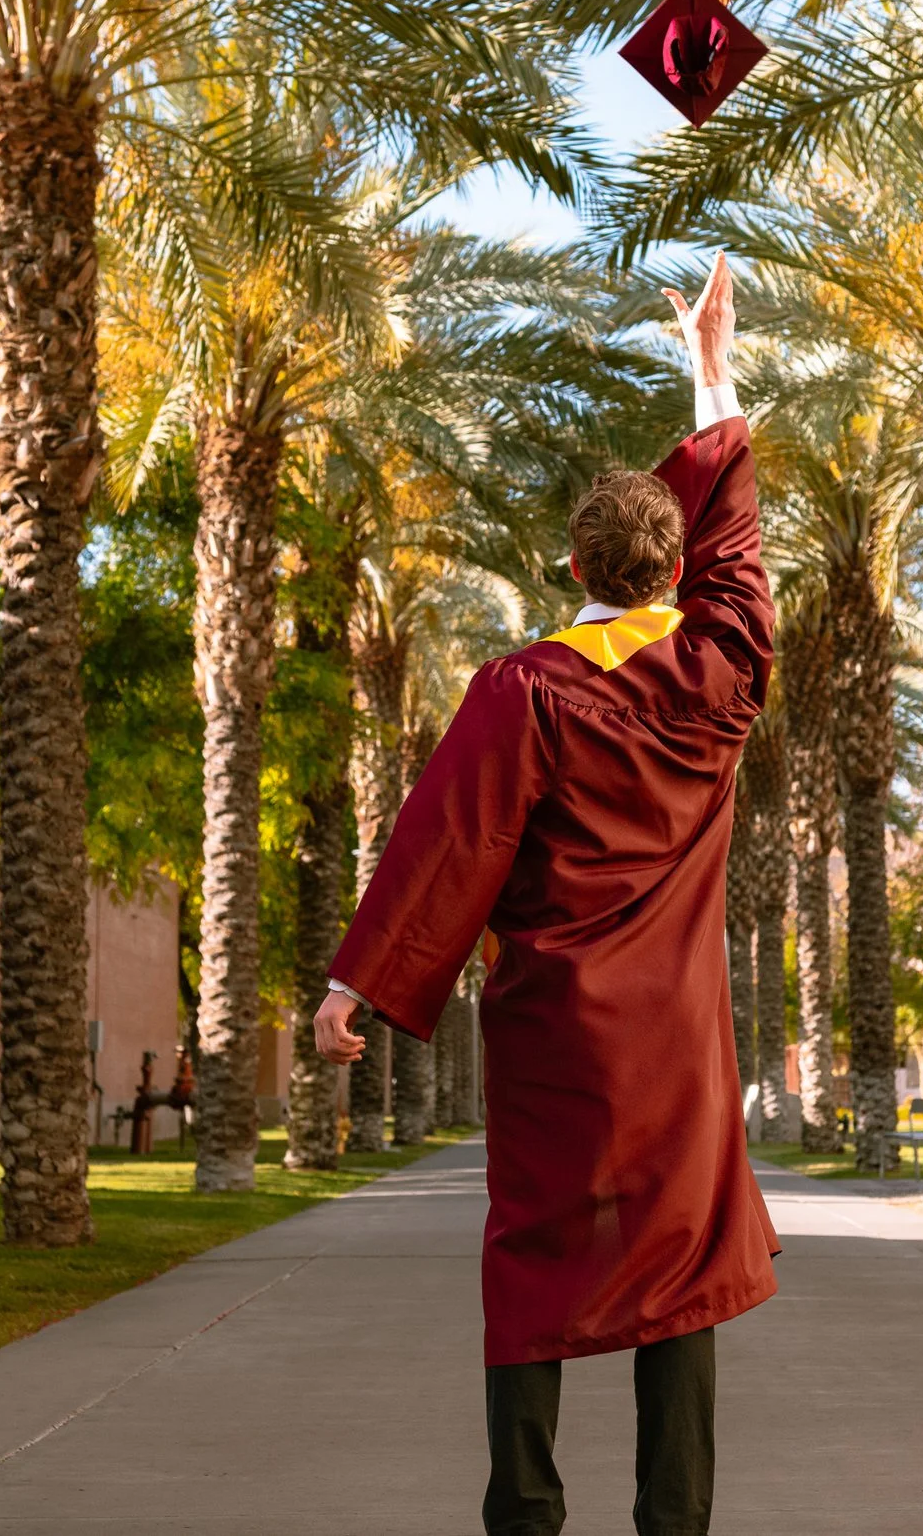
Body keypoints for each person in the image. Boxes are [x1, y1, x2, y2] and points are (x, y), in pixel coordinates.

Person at [314, 254, 777, 1536]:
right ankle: (672, 1519)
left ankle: (524, 1510)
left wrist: (357, 976)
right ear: (670, 568)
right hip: (679, 1042)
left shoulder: (525, 689)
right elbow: (733, 547)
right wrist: (711, 375)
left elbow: (448, 839)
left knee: (531, 1255)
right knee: (678, 1272)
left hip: (559, 1035)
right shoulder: (722, 667)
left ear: (569, 560)